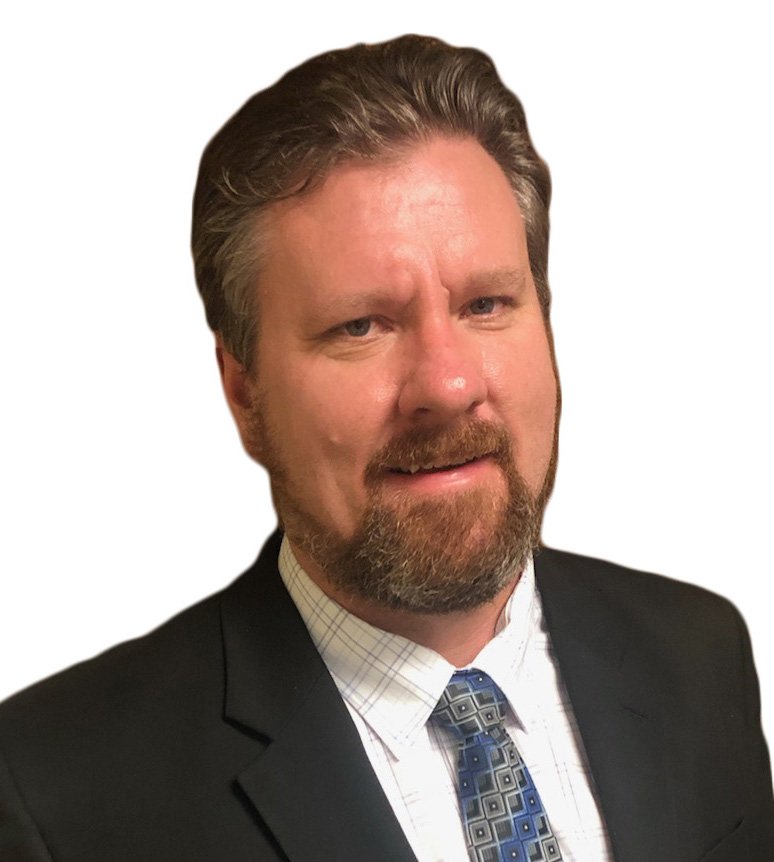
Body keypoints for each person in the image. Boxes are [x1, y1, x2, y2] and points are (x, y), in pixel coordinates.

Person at [0, 34, 772, 862]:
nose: (445, 386)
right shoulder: (54, 792)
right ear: (244, 390)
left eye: (485, 303)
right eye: (360, 325)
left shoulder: (700, 654)